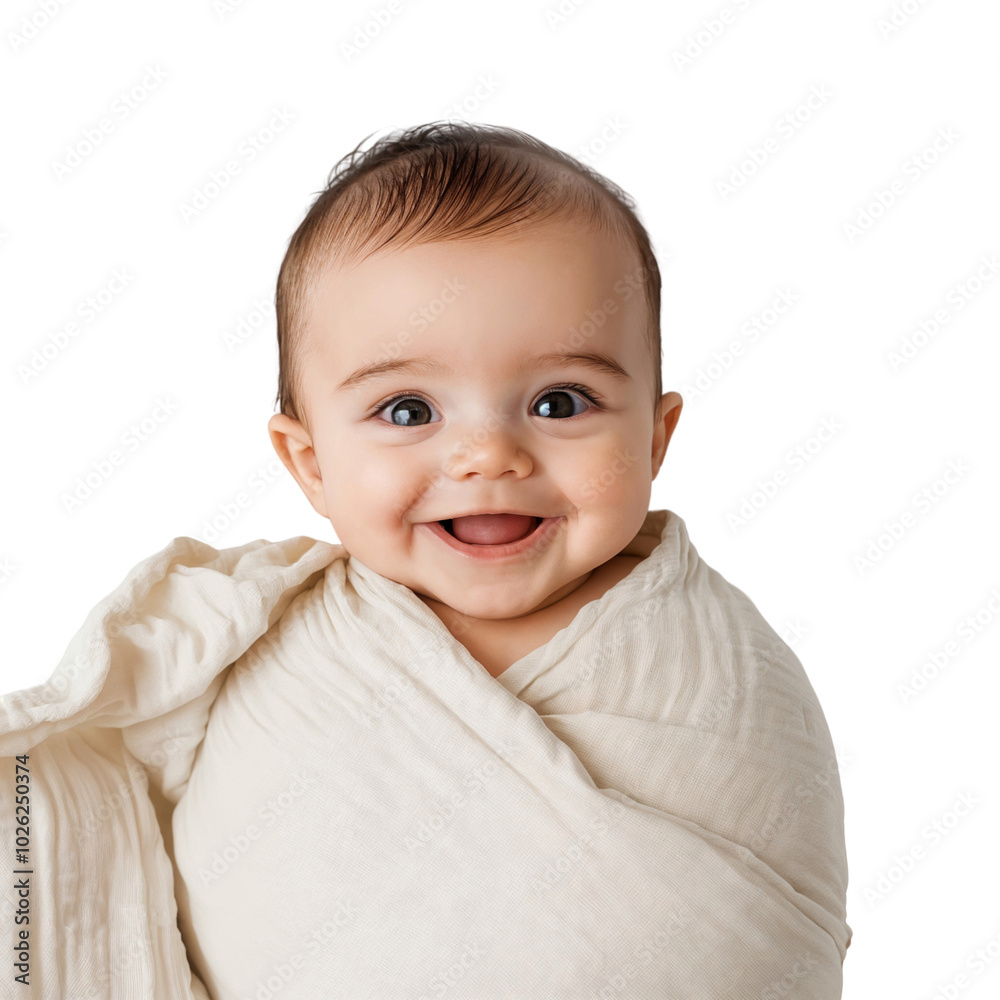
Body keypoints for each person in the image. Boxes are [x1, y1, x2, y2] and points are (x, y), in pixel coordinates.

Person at [0, 122, 851, 998]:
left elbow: (776, 938)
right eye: (408, 411)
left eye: (562, 401)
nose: (488, 455)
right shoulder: (235, 645)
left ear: (654, 436)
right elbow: (86, 816)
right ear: (312, 463)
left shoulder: (730, 673)